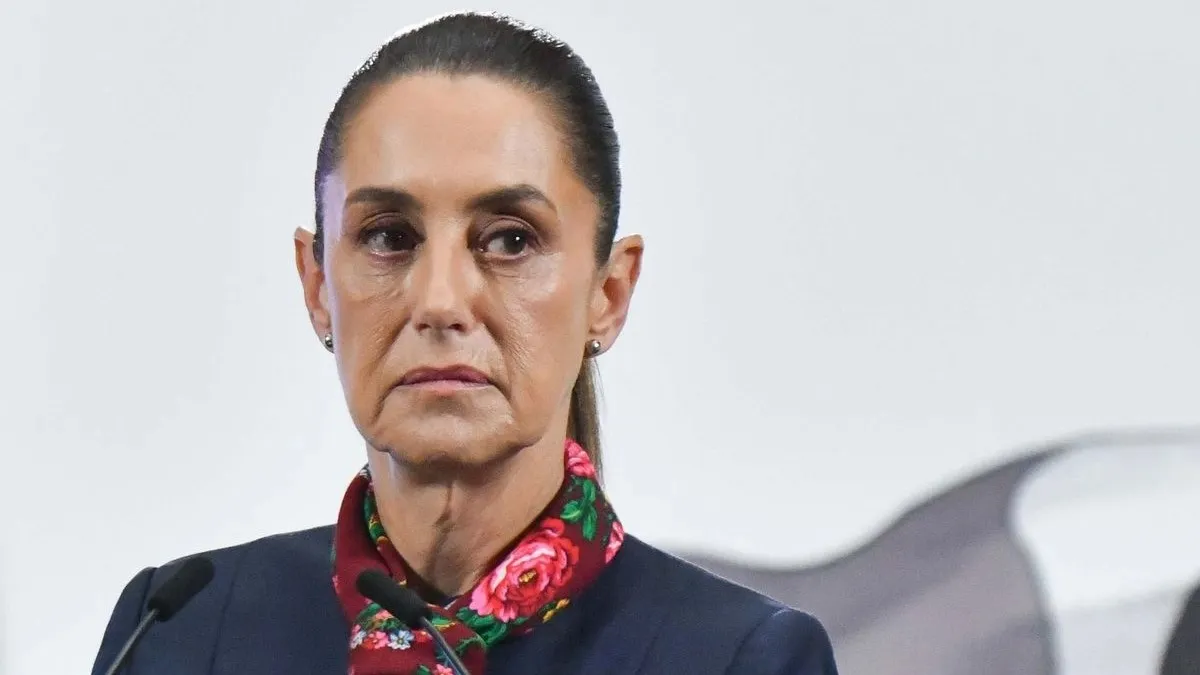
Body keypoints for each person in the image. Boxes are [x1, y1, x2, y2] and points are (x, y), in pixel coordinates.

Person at [91, 11, 839, 675]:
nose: (441, 300)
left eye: (510, 240)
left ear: (607, 295)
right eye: (389, 237)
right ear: (318, 285)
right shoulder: (177, 629)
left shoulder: (740, 659)